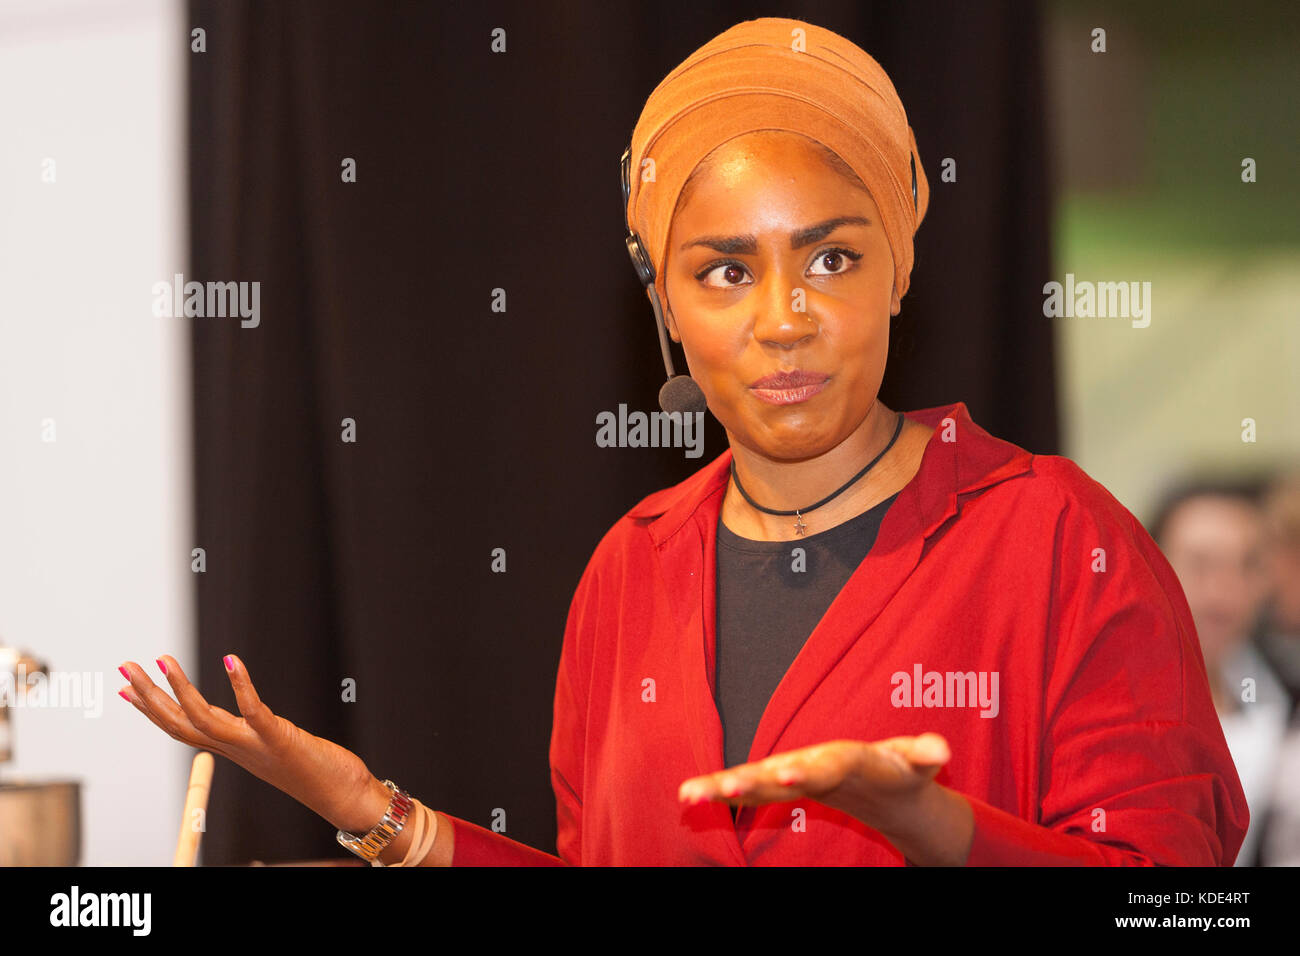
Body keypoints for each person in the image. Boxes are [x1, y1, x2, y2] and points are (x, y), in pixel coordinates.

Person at [118, 16, 1248, 866]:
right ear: (663, 300)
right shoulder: (630, 570)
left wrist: (932, 823)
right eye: (723, 271)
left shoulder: (1061, 541)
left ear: (903, 261)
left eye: (833, 257)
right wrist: (378, 811)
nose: (782, 316)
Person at [1148, 479, 1288, 865]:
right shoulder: (1104, 704)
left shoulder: (1285, 696)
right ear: (1151, 565)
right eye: (1200, 565)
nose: (1223, 593)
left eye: (1247, 566)